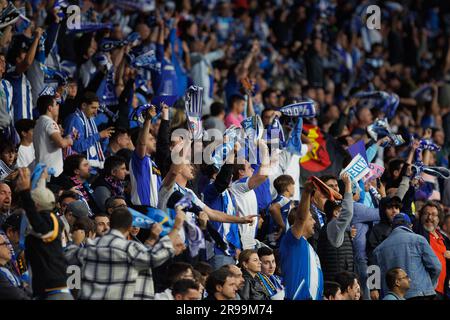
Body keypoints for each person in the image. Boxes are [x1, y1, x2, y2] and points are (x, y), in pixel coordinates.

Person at [64, 207, 185, 300]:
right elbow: (154, 257)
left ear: (111, 224)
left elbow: (68, 257)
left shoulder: (90, 246)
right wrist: (176, 227)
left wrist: (75, 242)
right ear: (129, 228)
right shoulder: (130, 249)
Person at [16, 167, 73, 300]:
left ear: (35, 205)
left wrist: (25, 192)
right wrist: (41, 179)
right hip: (47, 289)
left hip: (54, 291)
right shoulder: (50, 216)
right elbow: (41, 198)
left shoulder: (50, 221)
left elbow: (38, 224)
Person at [372, 213, 442, 300]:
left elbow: (372, 271)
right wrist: (429, 286)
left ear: (392, 226)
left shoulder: (378, 249)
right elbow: (437, 267)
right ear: (410, 226)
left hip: (393, 296)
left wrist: (373, 289)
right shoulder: (419, 240)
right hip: (421, 294)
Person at [280, 181, 324, 300]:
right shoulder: (293, 240)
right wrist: (306, 193)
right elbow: (301, 217)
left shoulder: (308, 246)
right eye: (311, 219)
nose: (314, 222)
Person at [64, 92, 114, 173]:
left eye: (97, 109)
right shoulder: (75, 120)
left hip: (91, 169)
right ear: (83, 105)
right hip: (77, 170)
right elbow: (76, 148)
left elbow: (99, 150)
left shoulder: (90, 121)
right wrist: (99, 136)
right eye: (93, 108)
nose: (96, 112)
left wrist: (104, 139)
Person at [317, 173, 354, 282]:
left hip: (341, 282)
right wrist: (348, 185)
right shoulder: (333, 227)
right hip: (336, 284)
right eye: (341, 210)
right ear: (336, 213)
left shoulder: (334, 228)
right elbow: (348, 212)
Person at [414, 201, 449, 298]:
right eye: (426, 214)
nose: (429, 218)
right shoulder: (419, 234)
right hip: (426, 290)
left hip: (443, 291)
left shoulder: (445, 239)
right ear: (420, 216)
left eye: (433, 215)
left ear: (439, 219)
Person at [33, 94, 73, 177]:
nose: (58, 107)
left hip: (43, 171)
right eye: (56, 105)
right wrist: (69, 140)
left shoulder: (38, 122)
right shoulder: (49, 123)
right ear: (50, 108)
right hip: (51, 172)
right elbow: (61, 143)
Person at [0, 233, 31, 300]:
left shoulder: (8, 268)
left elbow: (24, 286)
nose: (9, 247)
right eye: (4, 244)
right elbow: (16, 295)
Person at [267, 175, 295, 248]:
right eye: (293, 185)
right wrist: (283, 226)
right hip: (280, 240)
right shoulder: (284, 200)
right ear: (288, 188)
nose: (294, 188)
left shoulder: (274, 201)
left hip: (273, 239)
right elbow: (273, 209)